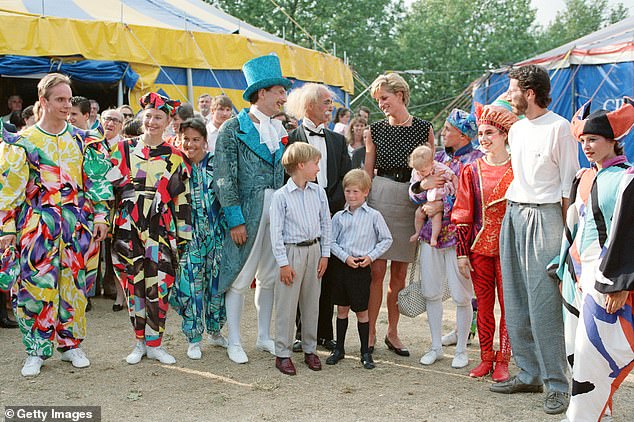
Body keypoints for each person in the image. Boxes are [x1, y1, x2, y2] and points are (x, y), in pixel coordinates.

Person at [0, 73, 112, 377]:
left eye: (69, 99)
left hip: (76, 224)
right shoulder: (23, 141)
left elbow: (95, 181)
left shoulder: (83, 139)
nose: (66, 105)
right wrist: (7, 229)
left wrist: (100, 216)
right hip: (38, 225)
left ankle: (70, 344)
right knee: (36, 286)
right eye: (60, 99)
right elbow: (9, 193)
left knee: (74, 285)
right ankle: (35, 350)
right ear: (44, 102)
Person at [489, 65, 579, 416]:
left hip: (545, 217)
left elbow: (569, 187)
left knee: (544, 304)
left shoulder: (560, 128)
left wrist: (567, 240)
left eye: (512, 90)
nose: (508, 96)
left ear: (529, 92)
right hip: (514, 213)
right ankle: (529, 372)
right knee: (514, 299)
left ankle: (558, 383)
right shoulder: (517, 130)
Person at [556, 98, 634, 422]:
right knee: (577, 353)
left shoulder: (627, 179)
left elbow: (628, 234)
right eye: (583, 140)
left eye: (594, 140)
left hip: (607, 277)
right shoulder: (582, 177)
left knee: (594, 358)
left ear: (612, 140)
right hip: (578, 277)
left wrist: (618, 283)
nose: (587, 146)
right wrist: (562, 266)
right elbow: (574, 225)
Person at [213, 54, 291, 364]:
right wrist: (235, 218)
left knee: (270, 275)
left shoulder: (280, 128)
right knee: (240, 276)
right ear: (262, 93)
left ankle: (263, 337)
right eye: (279, 91)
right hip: (247, 210)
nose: (284, 97)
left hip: (278, 211)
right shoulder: (233, 128)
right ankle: (234, 339)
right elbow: (224, 177)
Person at [107, 92, 192, 366]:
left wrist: (183, 238)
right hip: (127, 227)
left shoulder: (176, 157)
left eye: (158, 117)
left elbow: (183, 202)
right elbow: (108, 190)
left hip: (160, 230)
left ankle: (156, 343)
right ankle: (139, 341)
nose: (152, 121)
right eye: (148, 116)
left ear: (169, 121)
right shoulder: (122, 150)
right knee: (133, 285)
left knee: (159, 285)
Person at [364, 72, 433, 355]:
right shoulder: (375, 130)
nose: (381, 103)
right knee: (376, 271)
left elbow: (430, 168)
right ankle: (369, 332)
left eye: (385, 97)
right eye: (378, 99)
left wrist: (428, 202)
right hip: (380, 195)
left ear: (401, 95)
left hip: (410, 198)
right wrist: (362, 206)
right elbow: (367, 170)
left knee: (400, 274)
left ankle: (393, 332)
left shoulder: (424, 128)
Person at [451, 104, 518, 382]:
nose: (484, 138)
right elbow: (463, 212)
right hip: (479, 249)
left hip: (510, 249)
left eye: (490, 132)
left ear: (504, 134)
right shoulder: (471, 170)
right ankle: (485, 358)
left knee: (509, 306)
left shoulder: (519, 168)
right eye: (480, 133)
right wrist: (461, 253)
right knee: (484, 305)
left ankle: (503, 360)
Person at [286, 83, 351, 351]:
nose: (330, 107)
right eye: (325, 102)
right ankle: (303, 333)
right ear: (309, 105)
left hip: (332, 213)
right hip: (300, 214)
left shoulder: (337, 140)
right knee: (303, 275)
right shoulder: (291, 138)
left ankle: (324, 332)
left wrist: (331, 207)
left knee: (328, 273)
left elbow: (345, 176)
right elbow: (285, 177)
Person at [269, 142, 331, 375]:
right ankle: (283, 353)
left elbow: (326, 223)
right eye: (315, 163)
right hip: (291, 252)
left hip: (314, 250)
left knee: (311, 303)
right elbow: (275, 233)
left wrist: (325, 254)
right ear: (301, 165)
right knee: (287, 304)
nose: (318, 168)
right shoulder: (281, 197)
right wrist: (283, 263)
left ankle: (310, 348)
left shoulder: (319, 192)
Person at [170, 118, 227, 360]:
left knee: (216, 286)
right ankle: (193, 338)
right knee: (191, 286)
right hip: (188, 238)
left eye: (196, 139)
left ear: (205, 140)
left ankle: (215, 331)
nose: (191, 144)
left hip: (217, 236)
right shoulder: (175, 165)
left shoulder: (216, 164)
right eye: (186, 139)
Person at [326, 169, 392, 369]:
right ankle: (339, 349)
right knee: (342, 309)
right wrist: (345, 258)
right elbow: (330, 241)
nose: (351, 196)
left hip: (362, 268)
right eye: (348, 191)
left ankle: (365, 351)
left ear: (365, 192)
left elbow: (387, 239)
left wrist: (371, 257)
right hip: (343, 266)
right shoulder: (338, 217)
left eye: (356, 192)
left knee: (362, 311)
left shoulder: (374, 216)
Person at [431, 109, 482, 348]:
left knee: (466, 287)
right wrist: (423, 191)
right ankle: (461, 331)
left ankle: (468, 334)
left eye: (449, 129)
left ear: (463, 136)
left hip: (464, 233)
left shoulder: (477, 160)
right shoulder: (439, 158)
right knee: (445, 288)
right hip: (435, 232)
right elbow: (417, 189)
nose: (443, 133)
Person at [98, 109, 126, 310]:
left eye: (115, 120)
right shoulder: (93, 142)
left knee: (115, 248)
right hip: (96, 202)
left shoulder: (125, 145)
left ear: (121, 125)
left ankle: (117, 292)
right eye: (107, 119)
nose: (110, 123)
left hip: (117, 203)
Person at [409, 145, 457, 246]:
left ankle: (433, 238)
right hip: (427, 200)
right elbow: (413, 190)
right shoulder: (418, 169)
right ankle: (417, 232)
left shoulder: (439, 167)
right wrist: (422, 186)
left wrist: (442, 205)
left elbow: (452, 175)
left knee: (436, 218)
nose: (420, 173)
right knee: (418, 214)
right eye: (418, 170)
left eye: (448, 129)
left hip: (439, 198)